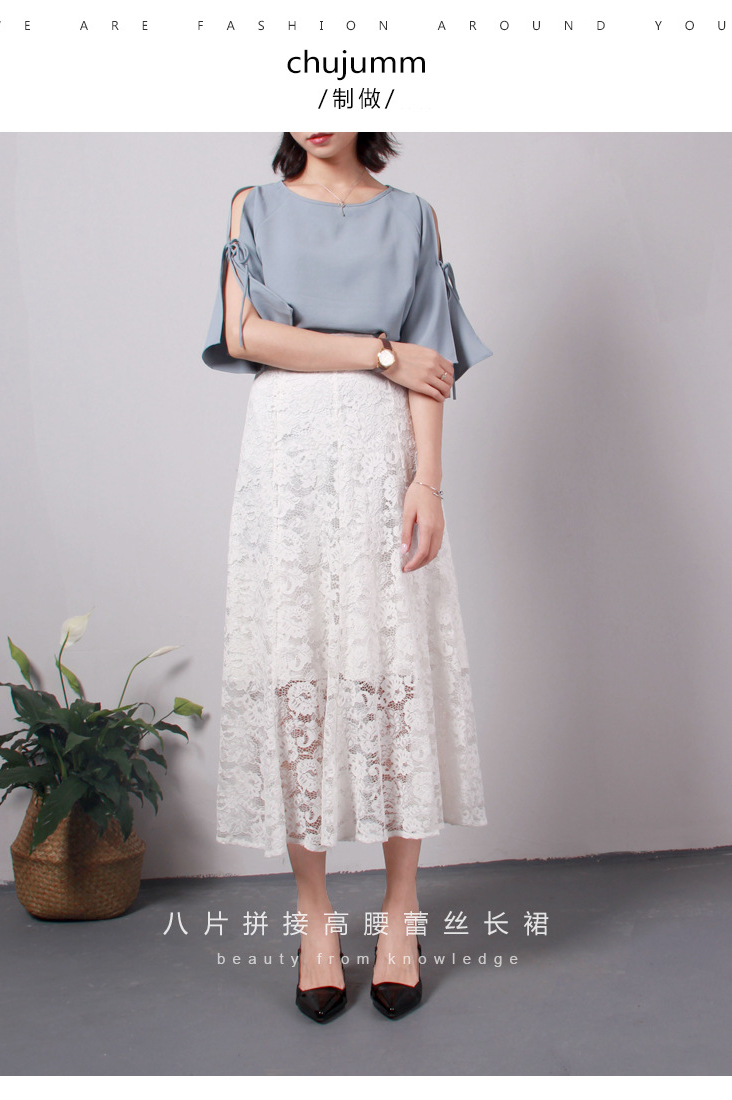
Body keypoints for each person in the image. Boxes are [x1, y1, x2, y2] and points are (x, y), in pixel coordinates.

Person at [203, 132, 492, 1023]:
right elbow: (244, 335)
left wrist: (427, 482)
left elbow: (430, 359)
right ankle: (315, 918)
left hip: (381, 459)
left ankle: (402, 912)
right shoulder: (253, 206)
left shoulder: (413, 217)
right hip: (286, 465)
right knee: (298, 672)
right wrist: (378, 351)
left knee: (392, 675)